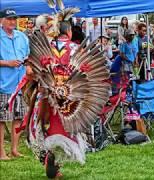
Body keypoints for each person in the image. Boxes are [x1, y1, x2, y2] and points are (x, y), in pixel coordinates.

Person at [9, 2, 109, 178]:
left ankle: (49, 160)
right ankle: (53, 163)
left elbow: (30, 71)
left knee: (42, 131)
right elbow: (91, 74)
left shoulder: (46, 49)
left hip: (45, 100)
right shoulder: (76, 49)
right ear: (69, 31)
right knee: (63, 132)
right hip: (69, 102)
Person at [0, 9, 29, 160]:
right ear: (1, 20)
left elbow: (28, 56)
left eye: (14, 19)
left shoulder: (22, 37)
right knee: (2, 119)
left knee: (19, 117)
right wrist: (7, 63)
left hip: (21, 84)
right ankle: (1, 152)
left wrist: (28, 66)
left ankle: (14, 149)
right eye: (9, 19)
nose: (13, 21)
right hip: (3, 84)